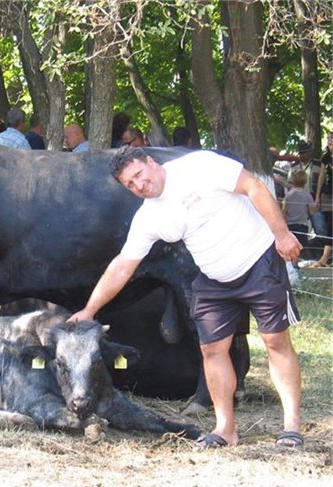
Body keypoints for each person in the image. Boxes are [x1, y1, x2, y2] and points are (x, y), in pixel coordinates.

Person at [69, 146, 304, 449]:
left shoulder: (199, 167)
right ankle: (225, 428)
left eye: (139, 175)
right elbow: (122, 267)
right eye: (131, 184)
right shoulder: (149, 218)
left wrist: (281, 234)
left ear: (151, 163)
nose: (139, 185)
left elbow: (253, 187)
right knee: (211, 350)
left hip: (259, 260)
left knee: (275, 342)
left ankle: (291, 427)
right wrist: (90, 309)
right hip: (214, 278)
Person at [282, 170, 315, 249]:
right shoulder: (308, 196)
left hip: (290, 226)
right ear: (305, 181)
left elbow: (283, 212)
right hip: (302, 225)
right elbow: (311, 211)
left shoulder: (288, 195)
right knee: (300, 249)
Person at [314, 132, 333, 267]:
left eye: (331, 142)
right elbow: (321, 176)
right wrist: (317, 196)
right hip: (327, 194)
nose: (329, 145)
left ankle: (324, 258)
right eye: (328, 142)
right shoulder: (326, 157)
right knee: (326, 225)